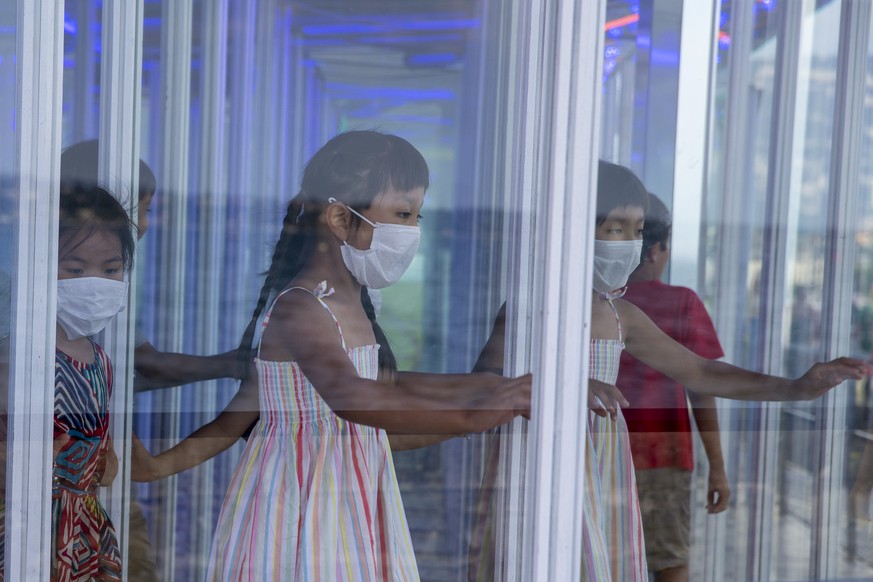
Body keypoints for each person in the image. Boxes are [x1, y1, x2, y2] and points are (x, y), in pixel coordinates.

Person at [131, 130, 532, 581]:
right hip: (304, 511)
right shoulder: (301, 307)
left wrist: (493, 388)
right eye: (402, 213)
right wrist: (474, 416)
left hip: (347, 498)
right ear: (341, 218)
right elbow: (352, 396)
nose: (412, 232)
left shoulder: (351, 302)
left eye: (416, 216)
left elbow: (244, 415)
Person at [582, 160, 865, 580]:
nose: (629, 244)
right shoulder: (531, 311)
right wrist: (559, 385)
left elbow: (703, 374)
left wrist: (798, 388)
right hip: (566, 466)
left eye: (638, 232)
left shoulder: (622, 315)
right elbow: (490, 385)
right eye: (616, 229)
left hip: (611, 461)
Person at [0, 185, 136, 580]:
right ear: (36, 263)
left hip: (83, 535)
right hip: (24, 536)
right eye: (75, 270)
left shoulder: (102, 361)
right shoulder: (19, 358)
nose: (94, 283)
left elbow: (106, 468)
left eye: (111, 270)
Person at [59, 139, 246, 391]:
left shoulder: (104, 291)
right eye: (143, 210)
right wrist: (232, 364)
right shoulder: (79, 291)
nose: (144, 224)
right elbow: (151, 366)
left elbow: (132, 374)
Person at [616, 192, 729, 582]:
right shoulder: (681, 302)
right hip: (664, 455)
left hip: (599, 450)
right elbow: (703, 387)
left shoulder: (599, 304)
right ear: (655, 251)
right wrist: (717, 467)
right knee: (670, 563)